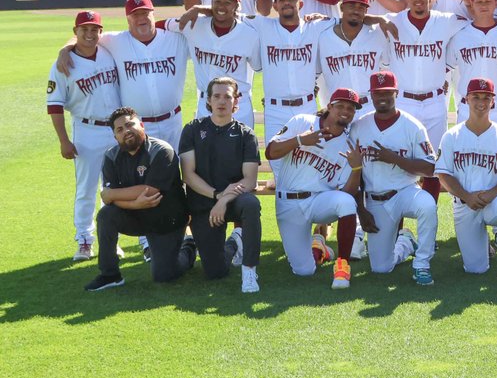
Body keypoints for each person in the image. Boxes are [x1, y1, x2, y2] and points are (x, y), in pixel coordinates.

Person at [84, 107, 196, 291]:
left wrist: (112, 195)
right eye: (119, 129)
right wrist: (134, 204)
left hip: (167, 220)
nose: (126, 131)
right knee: (106, 215)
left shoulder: (162, 150)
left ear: (142, 126)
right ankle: (109, 275)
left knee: (164, 276)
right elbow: (110, 200)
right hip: (136, 215)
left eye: (130, 124)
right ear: (115, 137)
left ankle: (189, 246)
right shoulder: (111, 156)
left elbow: (150, 191)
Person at [58, 0, 189, 151]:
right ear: (128, 19)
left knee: (175, 169)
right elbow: (87, 36)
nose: (141, 18)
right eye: (135, 15)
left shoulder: (177, 39)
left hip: (173, 122)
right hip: (138, 126)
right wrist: (65, 49)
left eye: (145, 13)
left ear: (153, 13)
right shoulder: (115, 41)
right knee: (141, 173)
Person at [382, 0, 468, 211]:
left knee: (433, 163)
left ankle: (428, 217)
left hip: (434, 101)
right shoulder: (393, 21)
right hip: (403, 101)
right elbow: (360, 21)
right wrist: (375, 17)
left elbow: (477, 22)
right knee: (400, 162)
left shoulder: (446, 20)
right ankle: (397, 226)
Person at [265, 87, 364, 289]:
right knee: (304, 271)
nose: (346, 110)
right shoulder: (303, 121)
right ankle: (319, 247)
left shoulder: (348, 145)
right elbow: (270, 152)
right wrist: (300, 140)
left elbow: (346, 195)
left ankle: (342, 267)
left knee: (345, 202)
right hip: (288, 203)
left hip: (319, 202)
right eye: (341, 106)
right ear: (329, 107)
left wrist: (357, 168)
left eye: (351, 108)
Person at [434, 77, 497, 287]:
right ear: (466, 99)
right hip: (464, 205)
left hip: (493, 202)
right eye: (476, 97)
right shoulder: (451, 136)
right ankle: (483, 246)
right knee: (475, 269)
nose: (481, 102)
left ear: (493, 101)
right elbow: (443, 175)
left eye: (487, 97)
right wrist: (466, 196)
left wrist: (492, 194)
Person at [350, 71, 439, 286]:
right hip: (375, 200)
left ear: (396, 93)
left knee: (427, 205)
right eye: (378, 92)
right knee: (381, 268)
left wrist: (395, 159)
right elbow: (354, 174)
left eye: (388, 92)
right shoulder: (359, 127)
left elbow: (430, 167)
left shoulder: (412, 126)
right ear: (370, 95)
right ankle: (406, 243)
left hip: (404, 192)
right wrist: (361, 210)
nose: (383, 97)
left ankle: (422, 264)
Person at [47, 11, 121, 260]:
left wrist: (65, 48)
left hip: (116, 130)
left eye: (94, 29)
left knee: (115, 187)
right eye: (84, 30)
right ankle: (84, 240)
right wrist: (64, 140)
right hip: (86, 131)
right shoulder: (64, 64)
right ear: (75, 31)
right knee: (87, 189)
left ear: (101, 31)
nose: (90, 34)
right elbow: (55, 105)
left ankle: (112, 239)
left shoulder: (109, 51)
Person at [179, 77, 263, 293]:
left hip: (234, 200)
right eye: (217, 96)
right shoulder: (192, 130)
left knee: (251, 204)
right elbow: (188, 175)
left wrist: (224, 199)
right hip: (203, 202)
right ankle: (235, 242)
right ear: (208, 100)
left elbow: (250, 180)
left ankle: (249, 272)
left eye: (228, 96)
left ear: (236, 101)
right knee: (214, 272)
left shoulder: (246, 134)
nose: (222, 101)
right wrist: (216, 196)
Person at [246, 0, 335, 139]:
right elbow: (230, 14)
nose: (286, 2)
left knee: (307, 157)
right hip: (275, 108)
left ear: (300, 4)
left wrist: (379, 20)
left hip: (307, 106)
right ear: (275, 5)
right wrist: (198, 10)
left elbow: (351, 19)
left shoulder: (315, 26)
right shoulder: (263, 25)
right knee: (276, 159)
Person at [167, 0, 261, 128]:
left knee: (239, 150)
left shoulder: (249, 35)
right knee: (204, 151)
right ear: (211, 3)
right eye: (217, 1)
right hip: (206, 105)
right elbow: (159, 26)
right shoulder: (194, 25)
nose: (221, 6)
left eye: (227, 2)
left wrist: (199, 8)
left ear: (236, 6)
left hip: (238, 105)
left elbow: (258, 65)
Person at [446, 0, 497, 132]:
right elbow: (447, 67)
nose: (483, 5)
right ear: (471, 4)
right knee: (466, 154)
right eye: (479, 1)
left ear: (496, 3)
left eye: (488, 1)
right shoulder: (459, 35)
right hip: (468, 109)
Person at [315, 0, 392, 96]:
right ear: (342, 7)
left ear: (366, 11)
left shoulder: (376, 34)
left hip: (370, 104)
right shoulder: (323, 38)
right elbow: (313, 72)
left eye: (361, 7)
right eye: (351, 6)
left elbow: (387, 66)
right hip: (340, 106)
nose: (356, 11)